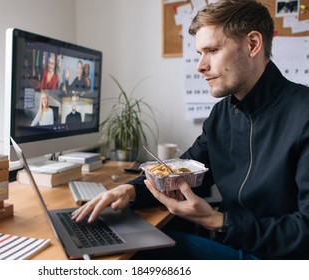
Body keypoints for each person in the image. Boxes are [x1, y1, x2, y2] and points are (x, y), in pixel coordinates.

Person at [72, 0, 309, 260]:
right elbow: (181, 170)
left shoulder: (303, 112)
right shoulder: (221, 115)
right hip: (238, 244)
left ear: (252, 44)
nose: (200, 65)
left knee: (138, 253)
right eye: (199, 53)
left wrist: (218, 221)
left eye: (212, 50)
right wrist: (130, 190)